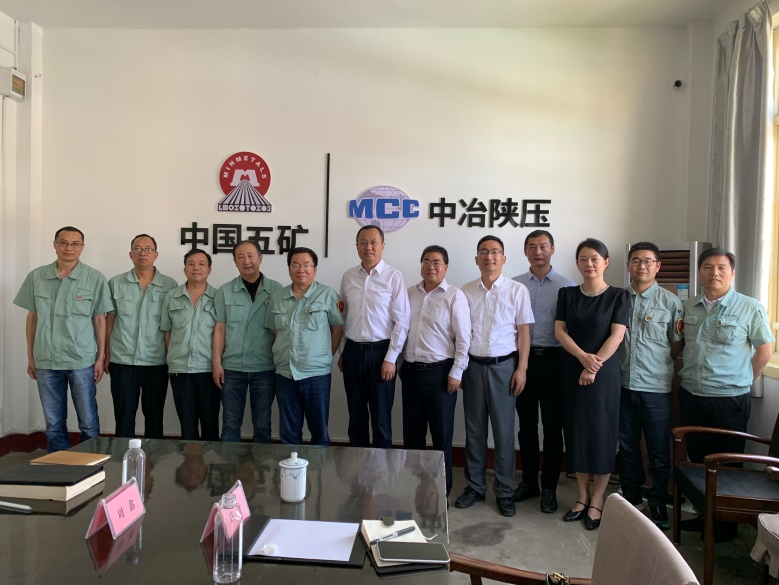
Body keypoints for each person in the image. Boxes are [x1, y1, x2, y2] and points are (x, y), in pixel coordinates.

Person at [678, 247, 774, 541]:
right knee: (698, 459)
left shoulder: (749, 307)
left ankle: (725, 524)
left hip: (728, 400)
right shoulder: (689, 306)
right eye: (708, 267)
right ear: (700, 272)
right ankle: (705, 515)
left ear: (732, 273)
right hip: (692, 394)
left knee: (727, 462)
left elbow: (764, 352)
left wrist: (741, 380)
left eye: (721, 268)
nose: (714, 273)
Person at [13, 226, 113, 452]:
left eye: (75, 243)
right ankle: (59, 466)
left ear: (82, 247)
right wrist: (31, 357)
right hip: (46, 359)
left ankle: (90, 465)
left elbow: (100, 320)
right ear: (55, 244)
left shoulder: (94, 278)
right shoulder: (37, 277)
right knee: (54, 424)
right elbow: (32, 318)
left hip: (81, 360)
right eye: (63, 242)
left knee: (88, 421)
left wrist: (100, 358)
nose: (69, 248)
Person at [455, 235, 533, 517]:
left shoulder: (517, 290)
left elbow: (524, 332)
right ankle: (475, 487)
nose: (489, 256)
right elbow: (460, 332)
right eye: (484, 252)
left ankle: (504, 491)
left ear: (503, 258)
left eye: (495, 252)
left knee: (503, 431)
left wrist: (522, 369)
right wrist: (459, 367)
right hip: (473, 366)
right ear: (476, 258)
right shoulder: (465, 291)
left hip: (505, 367)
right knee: (474, 430)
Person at [555, 238, 629, 530]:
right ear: (577, 263)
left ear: (606, 263)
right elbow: (560, 331)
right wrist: (583, 358)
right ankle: (582, 497)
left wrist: (593, 365)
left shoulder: (619, 296)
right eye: (583, 259)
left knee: (602, 432)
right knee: (576, 432)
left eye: (595, 259)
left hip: (603, 375)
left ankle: (597, 499)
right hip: (572, 370)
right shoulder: (567, 294)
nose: (589, 264)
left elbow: (617, 335)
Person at [617, 241, 683, 530]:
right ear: (628, 265)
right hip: (622, 385)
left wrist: (655, 365)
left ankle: (657, 499)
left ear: (657, 266)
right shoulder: (618, 298)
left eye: (647, 261)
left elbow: (676, 344)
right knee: (628, 446)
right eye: (636, 260)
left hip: (656, 388)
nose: (641, 266)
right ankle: (631, 498)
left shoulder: (671, 303)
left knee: (658, 448)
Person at [512, 230, 575, 514]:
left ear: (553, 249)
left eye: (543, 246)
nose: (538, 252)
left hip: (555, 362)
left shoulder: (567, 286)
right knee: (526, 426)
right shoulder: (514, 285)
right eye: (532, 247)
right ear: (525, 251)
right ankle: (529, 482)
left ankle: (549, 487)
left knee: (552, 427)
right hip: (522, 362)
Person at [401, 245, 471, 498]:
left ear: (446, 267)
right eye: (426, 261)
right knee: (412, 435)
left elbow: (464, 338)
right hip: (410, 372)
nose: (431, 266)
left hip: (441, 374)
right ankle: (415, 488)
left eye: (437, 262)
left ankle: (442, 491)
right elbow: (399, 330)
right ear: (421, 265)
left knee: (441, 437)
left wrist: (457, 372)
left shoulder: (454, 296)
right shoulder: (409, 293)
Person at [338, 225, 410, 448]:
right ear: (357, 246)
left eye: (373, 242)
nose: (368, 247)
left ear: (382, 246)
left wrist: (391, 358)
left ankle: (381, 468)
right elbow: (344, 316)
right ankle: (358, 467)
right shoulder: (348, 276)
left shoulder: (393, 276)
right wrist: (342, 351)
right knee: (356, 417)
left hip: (381, 355)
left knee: (381, 419)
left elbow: (402, 321)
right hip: (352, 353)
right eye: (363, 242)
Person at [266, 247, 344, 446]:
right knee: (289, 434)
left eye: (306, 265)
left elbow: (337, 329)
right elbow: (275, 331)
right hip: (285, 374)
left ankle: (319, 467)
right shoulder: (277, 297)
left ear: (315, 269)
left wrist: (325, 356)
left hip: (317, 375)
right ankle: (292, 467)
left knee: (319, 433)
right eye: (296, 265)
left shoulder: (327, 295)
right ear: (289, 269)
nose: (301, 269)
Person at [106, 234, 178, 438]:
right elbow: (109, 320)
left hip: (157, 361)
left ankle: (153, 457)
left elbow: (172, 326)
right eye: (137, 249)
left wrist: (171, 359)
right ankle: (123, 457)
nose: (142, 253)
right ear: (130, 254)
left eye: (148, 249)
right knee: (123, 416)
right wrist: (105, 354)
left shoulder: (169, 285)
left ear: (156, 254)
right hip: (122, 360)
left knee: (154, 417)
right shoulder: (116, 283)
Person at [213, 240, 281, 443]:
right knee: (230, 424)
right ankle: (229, 464)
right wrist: (216, 363)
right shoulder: (225, 291)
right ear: (235, 262)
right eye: (240, 257)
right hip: (232, 368)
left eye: (251, 256)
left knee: (263, 424)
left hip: (265, 367)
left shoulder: (276, 290)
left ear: (260, 258)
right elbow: (220, 329)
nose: (246, 261)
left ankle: (261, 465)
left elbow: (280, 331)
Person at [161, 249, 220, 441]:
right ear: (185, 269)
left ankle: (210, 461)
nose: (196, 268)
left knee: (210, 425)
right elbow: (167, 332)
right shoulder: (172, 296)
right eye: (191, 264)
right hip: (181, 370)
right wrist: (173, 360)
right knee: (187, 427)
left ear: (209, 270)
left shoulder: (219, 297)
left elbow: (222, 333)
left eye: (202, 264)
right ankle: (190, 460)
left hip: (209, 370)